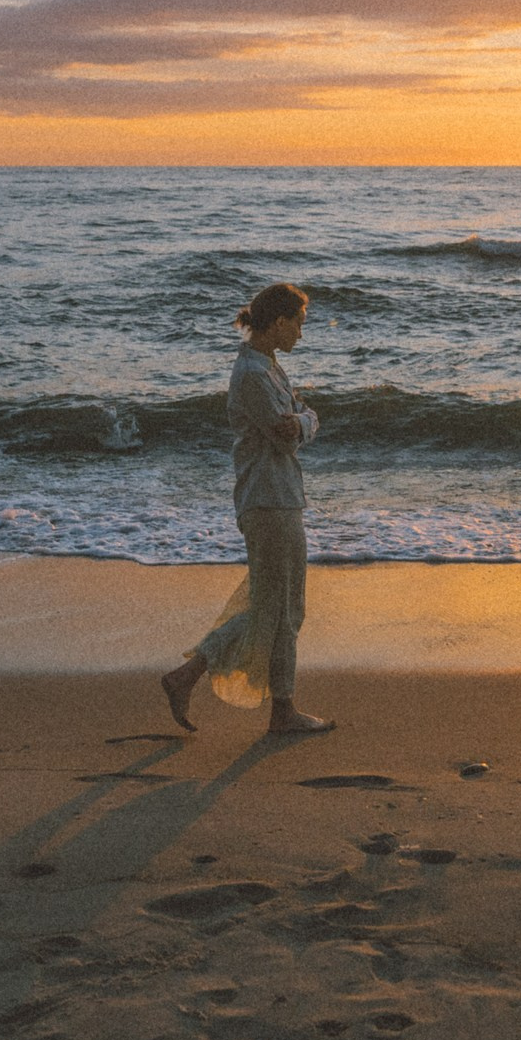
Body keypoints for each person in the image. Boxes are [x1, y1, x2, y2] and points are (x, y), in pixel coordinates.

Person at [160, 282, 334, 736]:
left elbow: (296, 419)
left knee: (276, 605)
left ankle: (274, 706)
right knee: (280, 607)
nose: (301, 332)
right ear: (278, 322)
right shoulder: (254, 375)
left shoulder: (268, 365)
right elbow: (287, 431)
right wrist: (307, 421)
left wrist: (301, 420)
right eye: (298, 323)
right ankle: (206, 682)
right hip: (269, 498)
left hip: (277, 495)